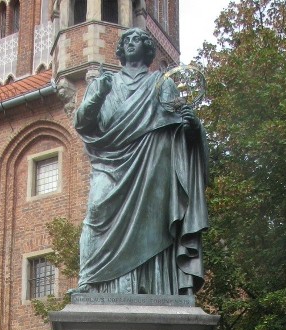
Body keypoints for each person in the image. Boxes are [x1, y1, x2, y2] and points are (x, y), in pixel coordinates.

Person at [74, 28, 208, 296]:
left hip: (153, 166)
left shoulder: (162, 84)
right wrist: (97, 94)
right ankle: (90, 278)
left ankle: (154, 285)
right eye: (127, 40)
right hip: (110, 163)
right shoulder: (106, 83)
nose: (132, 43)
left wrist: (193, 129)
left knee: (155, 225)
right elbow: (82, 123)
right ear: (121, 50)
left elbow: (177, 130)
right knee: (96, 212)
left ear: (148, 49)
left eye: (139, 39)